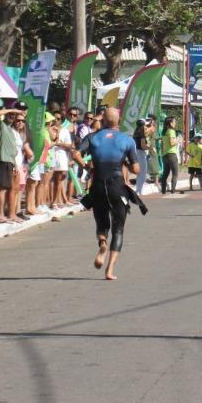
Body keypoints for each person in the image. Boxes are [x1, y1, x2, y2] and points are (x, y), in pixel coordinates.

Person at [74, 108, 140, 281]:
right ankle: (109, 270)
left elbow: (75, 154)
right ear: (118, 122)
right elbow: (135, 169)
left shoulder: (92, 137)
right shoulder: (127, 140)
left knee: (102, 223)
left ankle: (102, 242)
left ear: (103, 121)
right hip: (117, 186)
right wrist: (126, 162)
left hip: (97, 185)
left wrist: (86, 166)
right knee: (118, 229)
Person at [0, 106, 25, 223]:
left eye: (14, 116)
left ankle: (10, 214)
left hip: (11, 162)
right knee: (3, 188)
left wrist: (16, 165)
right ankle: (0, 215)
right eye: (11, 115)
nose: (12, 117)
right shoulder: (1, 125)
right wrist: (14, 111)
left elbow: (14, 151)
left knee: (12, 188)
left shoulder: (12, 131)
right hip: (3, 160)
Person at [160, 116, 182, 194]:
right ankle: (173, 190)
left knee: (165, 174)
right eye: (174, 122)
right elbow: (172, 143)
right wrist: (178, 139)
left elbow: (162, 146)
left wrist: (163, 154)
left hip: (165, 155)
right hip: (172, 154)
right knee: (175, 173)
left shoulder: (164, 132)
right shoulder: (171, 131)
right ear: (170, 123)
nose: (175, 123)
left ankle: (163, 190)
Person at [132, 119, 151, 194]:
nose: (146, 126)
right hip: (141, 153)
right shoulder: (142, 134)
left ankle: (139, 189)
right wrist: (150, 147)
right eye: (145, 125)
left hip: (136, 152)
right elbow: (143, 146)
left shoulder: (136, 133)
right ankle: (139, 190)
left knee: (140, 173)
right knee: (143, 173)